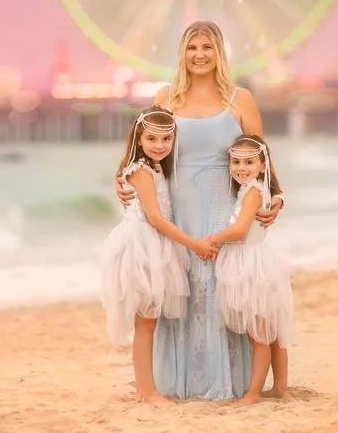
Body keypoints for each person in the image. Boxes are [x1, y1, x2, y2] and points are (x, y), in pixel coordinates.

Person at [115, 21, 287, 400]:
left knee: (227, 289)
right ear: (182, 52)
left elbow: (262, 155)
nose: (199, 54)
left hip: (225, 208)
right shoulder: (166, 97)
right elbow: (144, 148)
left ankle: (236, 383)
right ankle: (179, 382)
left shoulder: (240, 99)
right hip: (177, 210)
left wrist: (277, 195)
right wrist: (121, 176)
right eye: (192, 47)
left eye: (207, 47)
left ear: (219, 52)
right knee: (183, 289)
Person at [100, 106, 219, 407]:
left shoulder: (153, 168)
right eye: (152, 139)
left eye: (166, 140)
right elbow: (155, 218)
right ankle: (147, 391)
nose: (160, 146)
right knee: (146, 322)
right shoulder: (140, 170)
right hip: (144, 246)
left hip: (156, 246)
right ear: (138, 139)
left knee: (149, 321)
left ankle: (145, 389)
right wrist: (194, 244)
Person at [209, 134, 294, 405]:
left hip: (250, 263)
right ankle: (280, 387)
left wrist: (211, 239)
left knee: (259, 334)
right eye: (235, 162)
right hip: (258, 258)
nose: (241, 168)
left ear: (262, 165)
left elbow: (240, 229)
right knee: (272, 330)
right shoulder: (255, 189)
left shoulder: (253, 191)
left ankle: (253, 393)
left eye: (248, 162)